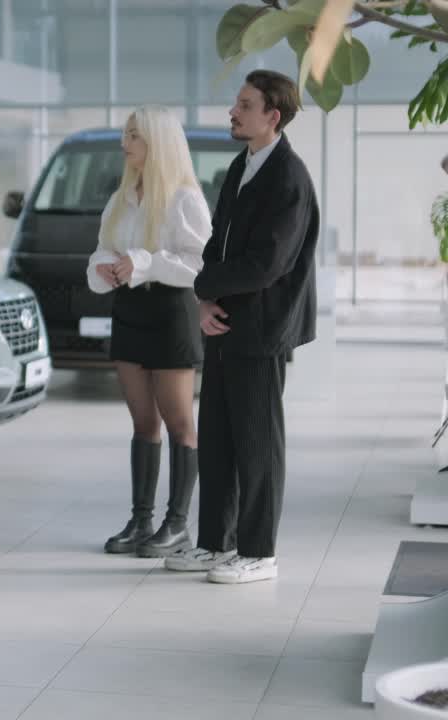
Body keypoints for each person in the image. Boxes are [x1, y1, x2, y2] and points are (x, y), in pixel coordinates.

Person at [165, 70, 318, 584]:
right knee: (219, 439)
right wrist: (205, 298)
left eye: (245, 104)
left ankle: (259, 552)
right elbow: (215, 244)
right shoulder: (241, 166)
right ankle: (215, 543)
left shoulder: (288, 178)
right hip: (225, 322)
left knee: (257, 443)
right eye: (237, 102)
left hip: (261, 327)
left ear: (272, 117)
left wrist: (209, 289)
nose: (233, 111)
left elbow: (268, 262)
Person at [87, 106, 211, 558]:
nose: (126, 144)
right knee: (143, 423)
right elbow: (103, 247)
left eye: (135, 135)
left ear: (157, 142)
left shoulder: (184, 199)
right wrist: (103, 269)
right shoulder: (122, 198)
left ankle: (176, 524)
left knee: (180, 424)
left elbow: (199, 266)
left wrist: (141, 262)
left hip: (171, 311)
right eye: (126, 134)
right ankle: (141, 521)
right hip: (130, 310)